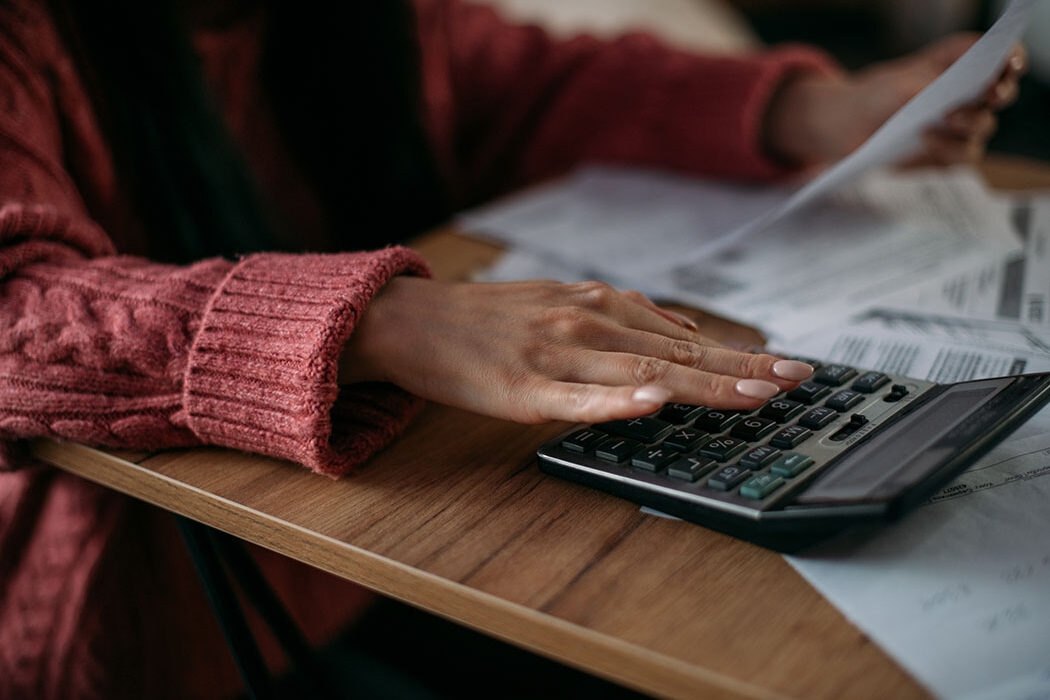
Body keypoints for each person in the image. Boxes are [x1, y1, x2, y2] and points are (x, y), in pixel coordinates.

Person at [0, 0, 1025, 697]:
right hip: (171, 615)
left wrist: (812, 109)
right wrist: (383, 321)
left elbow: (523, 82)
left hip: (430, 508)